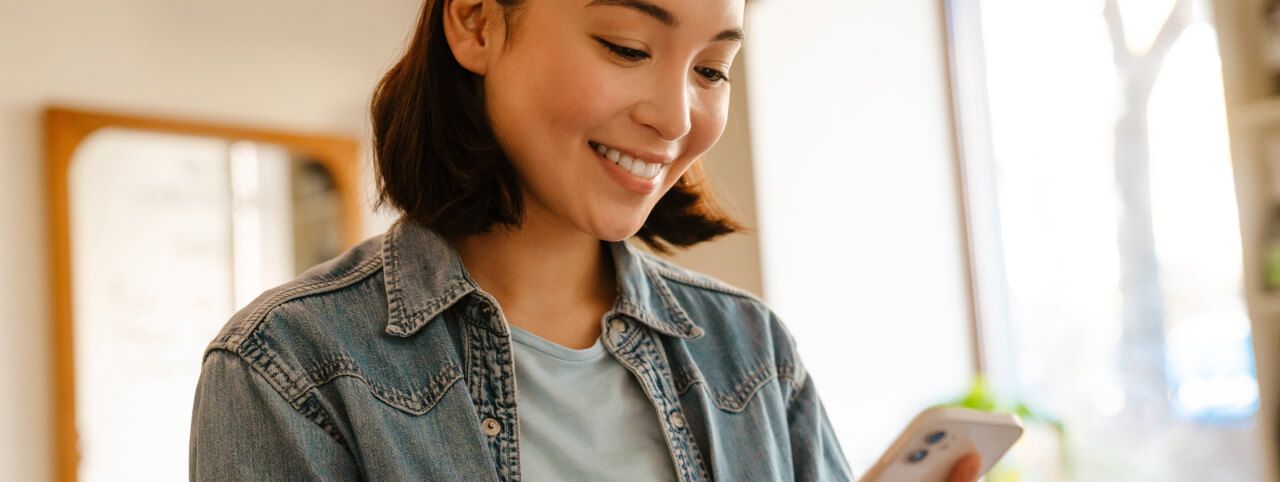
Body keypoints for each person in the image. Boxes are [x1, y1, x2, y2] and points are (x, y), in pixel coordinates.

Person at [189, 0, 982, 480]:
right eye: (629, 48)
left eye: (712, 70)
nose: (676, 119)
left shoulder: (751, 354)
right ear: (475, 22)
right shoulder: (287, 369)